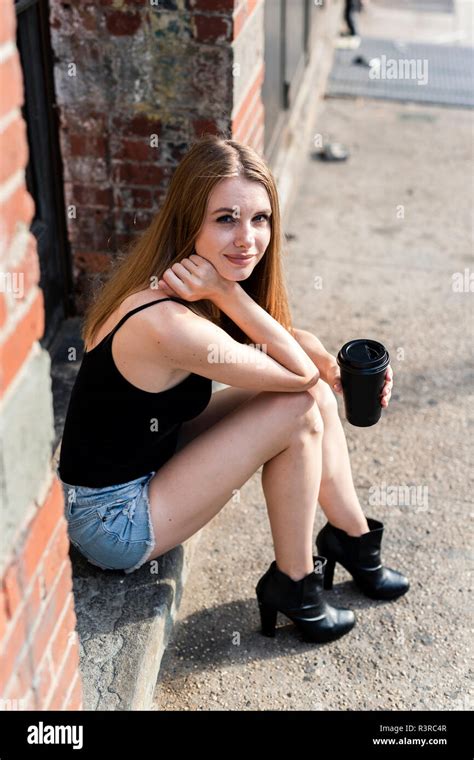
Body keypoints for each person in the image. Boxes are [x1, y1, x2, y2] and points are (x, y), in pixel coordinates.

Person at [58, 134, 408, 645]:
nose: (247, 238)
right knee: (300, 408)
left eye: (259, 219)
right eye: (225, 219)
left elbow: (292, 349)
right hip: (114, 519)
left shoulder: (186, 280)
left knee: (313, 398)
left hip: (155, 454)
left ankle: (353, 540)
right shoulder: (172, 320)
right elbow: (295, 375)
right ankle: (294, 583)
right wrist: (229, 294)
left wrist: (335, 368)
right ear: (189, 222)